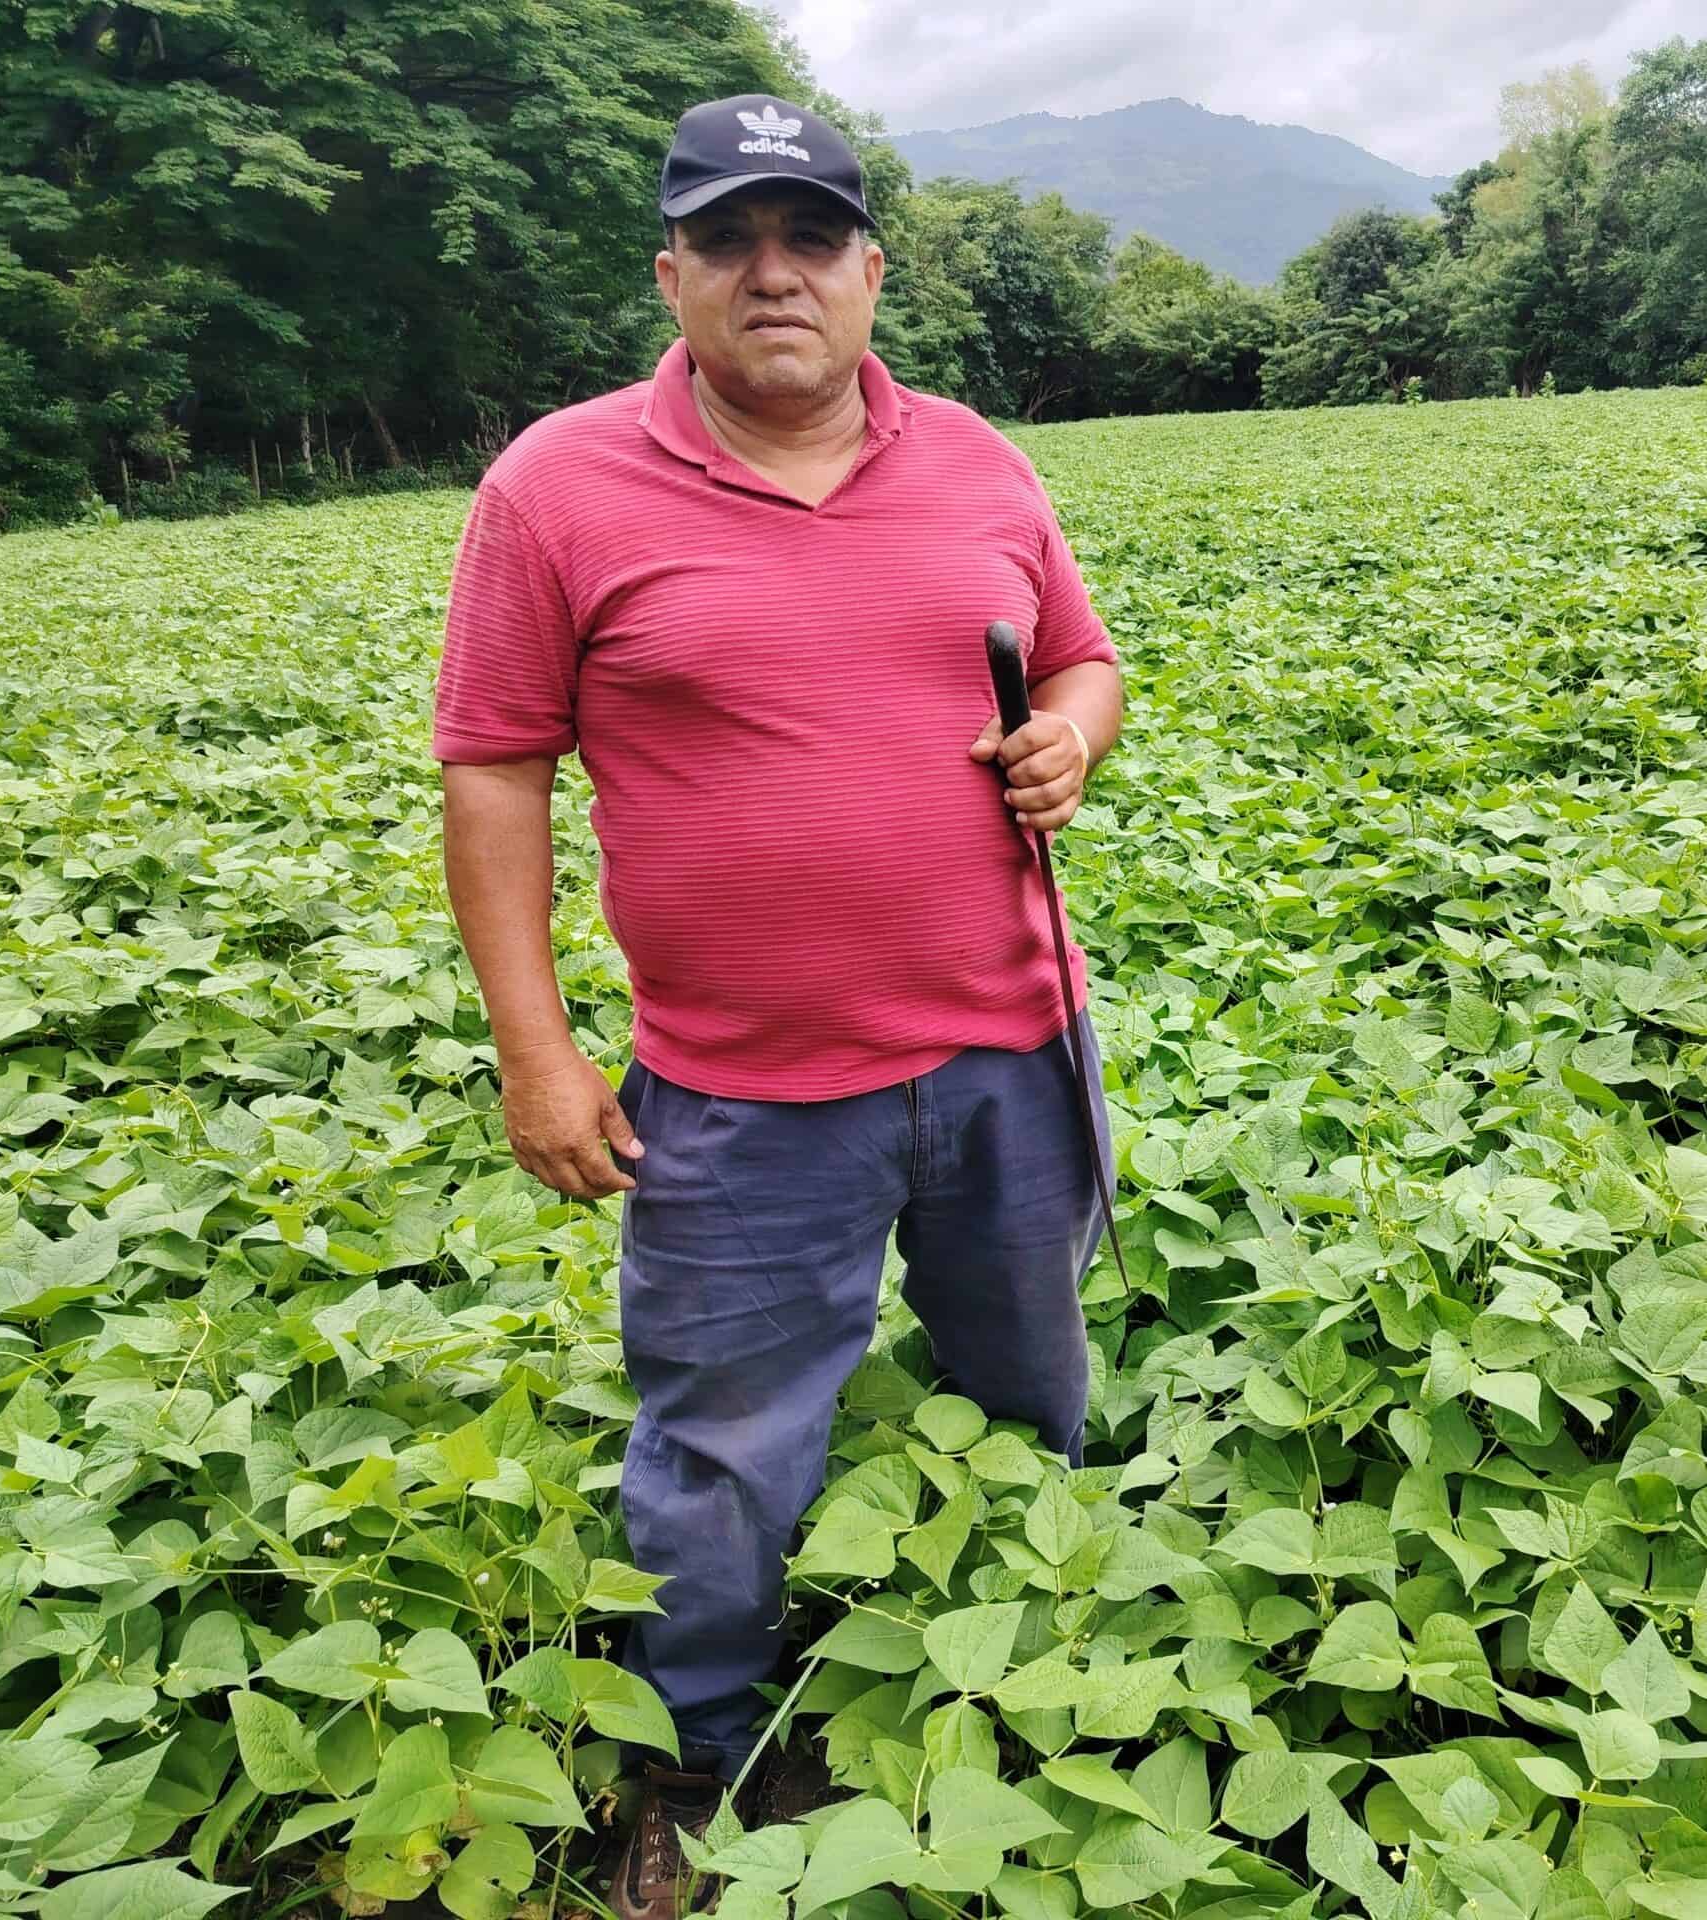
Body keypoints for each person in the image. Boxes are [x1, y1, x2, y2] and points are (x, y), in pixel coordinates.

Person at [430, 90, 1124, 1920]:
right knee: (723, 1449)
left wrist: (1073, 736)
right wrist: (538, 1051)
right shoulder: (558, 485)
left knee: (1031, 1389)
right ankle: (705, 1755)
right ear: (672, 274)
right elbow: (495, 767)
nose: (774, 273)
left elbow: (1078, 651)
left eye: (810, 236)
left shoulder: (978, 460)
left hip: (1006, 1051)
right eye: (729, 240)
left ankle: (1016, 1699)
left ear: (871, 268)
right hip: (737, 1095)